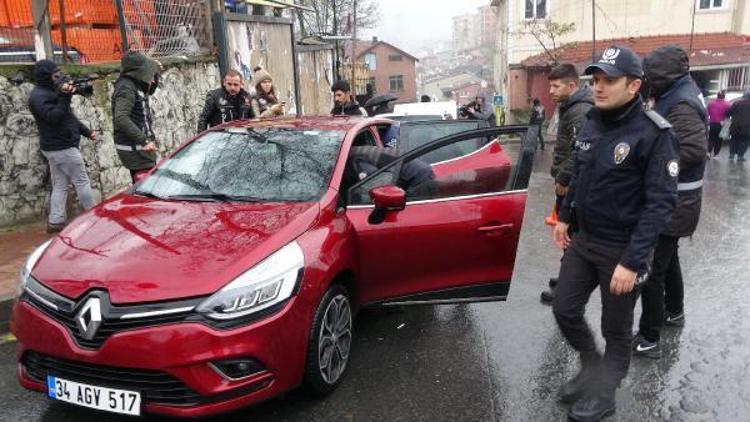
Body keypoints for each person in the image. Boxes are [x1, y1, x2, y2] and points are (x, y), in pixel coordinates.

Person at [551, 46, 679, 421]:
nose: (599, 87)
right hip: (587, 239)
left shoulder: (654, 133)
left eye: (610, 80)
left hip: (624, 249)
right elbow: (580, 175)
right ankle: (591, 367)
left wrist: (632, 261)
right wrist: (564, 216)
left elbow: (660, 205)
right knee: (564, 307)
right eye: (596, 80)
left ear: (634, 85)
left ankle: (605, 392)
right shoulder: (593, 120)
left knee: (616, 328)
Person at [634, 45, 707, 359]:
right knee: (668, 259)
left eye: (649, 76)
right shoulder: (676, 92)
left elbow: (691, 150)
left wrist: (648, 157)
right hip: (679, 200)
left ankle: (649, 337)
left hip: (676, 201)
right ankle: (675, 312)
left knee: (652, 270)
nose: (646, 81)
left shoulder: (681, 102)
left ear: (662, 76)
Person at [540, 63, 594, 305]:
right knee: (568, 235)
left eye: (555, 86)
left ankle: (567, 287)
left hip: (573, 186)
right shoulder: (570, 107)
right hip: (569, 183)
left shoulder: (580, 110)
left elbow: (581, 151)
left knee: (570, 236)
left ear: (572, 85)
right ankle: (566, 278)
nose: (550, 91)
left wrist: (564, 178)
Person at [28, 60, 98, 233]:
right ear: (46, 76)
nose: (58, 78)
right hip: (61, 147)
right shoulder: (38, 97)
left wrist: (86, 132)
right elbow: (54, 117)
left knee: (60, 185)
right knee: (81, 181)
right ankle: (95, 217)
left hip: (56, 147)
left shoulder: (50, 91)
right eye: (55, 75)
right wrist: (65, 96)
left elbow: (68, 116)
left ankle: (56, 221)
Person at [112, 51, 161, 182]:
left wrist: (155, 72)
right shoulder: (126, 88)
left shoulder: (135, 82)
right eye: (146, 71)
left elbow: (149, 90)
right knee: (147, 187)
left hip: (142, 148)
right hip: (136, 150)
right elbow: (121, 118)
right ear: (135, 72)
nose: (149, 76)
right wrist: (144, 140)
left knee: (149, 186)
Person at [727, 90, 750, 162]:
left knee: (733, 139)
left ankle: (731, 154)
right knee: (744, 140)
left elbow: (728, 113)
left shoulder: (736, 103)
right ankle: (740, 156)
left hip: (735, 125)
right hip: (747, 127)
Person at [706, 91, 731, 158]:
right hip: (722, 125)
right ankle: (716, 154)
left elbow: (707, 113)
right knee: (719, 140)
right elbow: (728, 115)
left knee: (711, 138)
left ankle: (708, 152)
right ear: (724, 96)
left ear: (717, 96)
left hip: (712, 123)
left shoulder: (711, 103)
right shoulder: (727, 104)